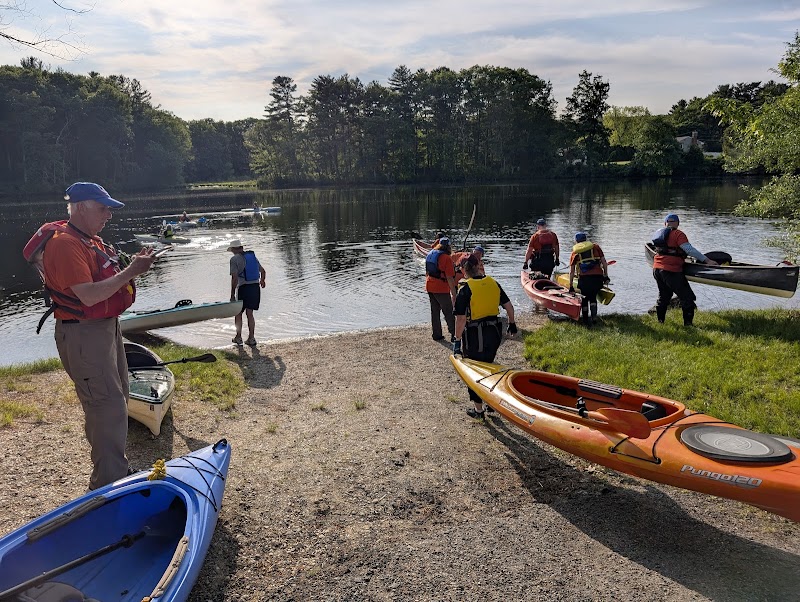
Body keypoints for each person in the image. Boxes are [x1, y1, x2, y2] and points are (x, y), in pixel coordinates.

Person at [24, 182, 157, 490]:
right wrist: (131, 272)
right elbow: (87, 296)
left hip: (104, 328)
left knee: (118, 397)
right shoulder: (65, 244)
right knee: (105, 405)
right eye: (103, 208)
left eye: (110, 209)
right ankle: (107, 486)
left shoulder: (88, 240)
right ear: (80, 207)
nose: (108, 215)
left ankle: (115, 471)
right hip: (83, 334)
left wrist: (132, 267)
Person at [453, 254, 516, 419]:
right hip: (494, 333)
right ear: (478, 267)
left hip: (475, 336)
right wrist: (512, 323)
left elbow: (460, 319)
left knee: (474, 371)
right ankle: (490, 402)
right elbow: (509, 307)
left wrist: (457, 340)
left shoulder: (465, 289)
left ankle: (479, 410)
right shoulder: (493, 283)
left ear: (463, 269)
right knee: (489, 366)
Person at [652, 213, 717, 326]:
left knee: (664, 296)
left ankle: (660, 322)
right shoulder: (678, 234)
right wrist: (707, 260)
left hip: (657, 269)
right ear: (677, 223)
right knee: (687, 298)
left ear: (665, 223)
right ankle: (688, 325)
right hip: (671, 270)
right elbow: (689, 250)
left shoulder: (659, 234)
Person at [228, 238, 266, 345]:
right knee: (250, 314)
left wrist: (232, 294)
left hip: (243, 288)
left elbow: (234, 278)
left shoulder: (234, 259)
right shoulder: (252, 257)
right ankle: (252, 338)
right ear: (241, 248)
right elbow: (263, 271)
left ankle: (238, 337)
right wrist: (262, 280)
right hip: (255, 288)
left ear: (233, 249)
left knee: (238, 313)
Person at [568, 232, 609, 326]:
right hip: (597, 278)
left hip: (584, 279)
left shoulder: (575, 252)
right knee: (593, 297)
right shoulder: (596, 247)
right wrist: (606, 276)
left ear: (576, 241)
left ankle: (585, 320)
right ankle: (594, 318)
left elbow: (572, 271)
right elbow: (604, 263)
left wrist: (571, 286)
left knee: (584, 298)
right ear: (586, 239)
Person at [425, 237, 457, 341]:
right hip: (441, 289)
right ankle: (454, 334)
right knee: (448, 311)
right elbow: (450, 278)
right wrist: (454, 294)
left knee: (434, 312)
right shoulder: (446, 258)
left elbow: (427, 272)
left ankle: (436, 335)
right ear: (448, 246)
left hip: (429, 285)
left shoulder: (431, 254)